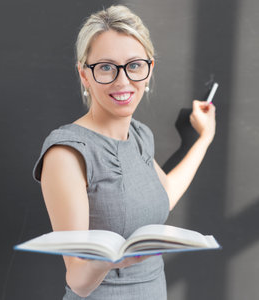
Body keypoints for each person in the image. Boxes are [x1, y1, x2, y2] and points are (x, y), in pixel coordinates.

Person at [32, 5, 216, 299]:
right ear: (84, 75)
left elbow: (164, 194)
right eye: (105, 67)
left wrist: (204, 139)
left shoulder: (141, 135)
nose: (123, 81)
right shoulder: (66, 152)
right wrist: (118, 257)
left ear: (149, 68)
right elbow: (78, 279)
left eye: (134, 65)